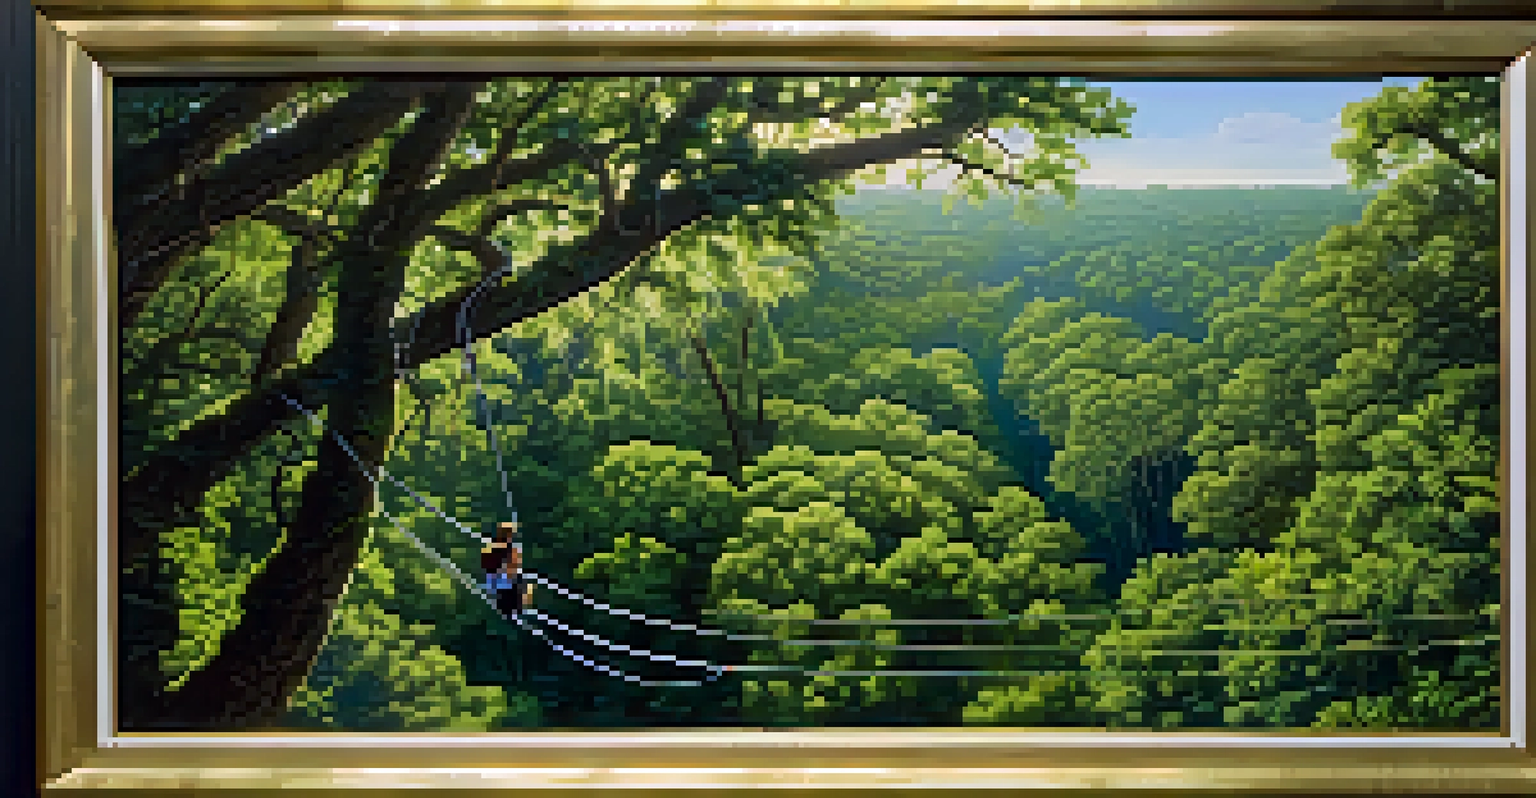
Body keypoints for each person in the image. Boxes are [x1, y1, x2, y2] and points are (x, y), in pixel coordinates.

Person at [482, 521, 534, 617]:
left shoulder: (490, 546)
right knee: (523, 581)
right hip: (504, 585)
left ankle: (516, 608)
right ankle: (521, 608)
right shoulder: (510, 549)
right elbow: (513, 567)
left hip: (492, 584)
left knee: (520, 581)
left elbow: (485, 565)